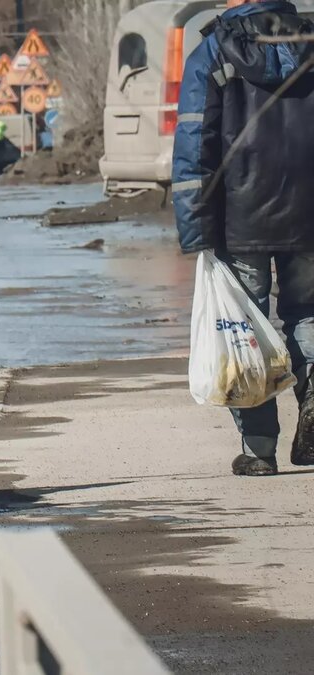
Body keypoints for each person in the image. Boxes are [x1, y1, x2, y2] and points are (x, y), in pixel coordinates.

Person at [172, 0, 314, 476]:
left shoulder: (214, 49)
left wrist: (194, 227)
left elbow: (195, 142)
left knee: (244, 330)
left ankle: (258, 450)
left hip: (241, 218)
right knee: (310, 314)